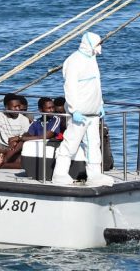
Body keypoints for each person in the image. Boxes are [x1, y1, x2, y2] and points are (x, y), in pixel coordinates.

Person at [52, 32, 114, 186]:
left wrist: (100, 104)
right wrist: (74, 109)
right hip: (79, 113)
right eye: (98, 44)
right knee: (71, 142)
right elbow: (70, 88)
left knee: (94, 144)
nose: (100, 47)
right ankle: (59, 173)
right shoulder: (73, 61)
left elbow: (96, 85)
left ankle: (95, 174)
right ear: (90, 45)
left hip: (93, 112)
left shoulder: (92, 60)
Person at [0, 97, 61, 169]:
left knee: (25, 160)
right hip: (36, 147)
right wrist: (17, 139)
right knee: (20, 143)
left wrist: (20, 138)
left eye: (53, 107)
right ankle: (3, 160)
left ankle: (2, 163)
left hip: (49, 146)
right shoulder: (37, 122)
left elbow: (47, 136)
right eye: (49, 108)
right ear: (40, 110)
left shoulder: (56, 119)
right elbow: (29, 134)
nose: (52, 110)